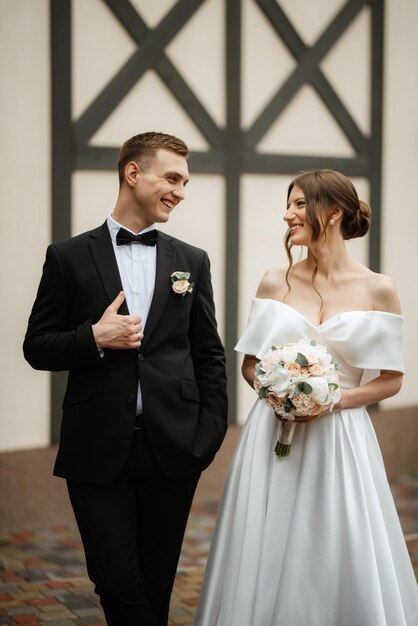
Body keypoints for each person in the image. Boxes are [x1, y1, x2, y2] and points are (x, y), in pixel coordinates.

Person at [195, 169, 418, 626]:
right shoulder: (274, 281)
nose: (287, 214)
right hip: (272, 432)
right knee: (265, 537)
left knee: (335, 538)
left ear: (333, 213)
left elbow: (391, 380)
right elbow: (250, 365)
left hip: (341, 436)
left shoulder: (379, 288)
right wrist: (280, 396)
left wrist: (329, 400)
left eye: (299, 205)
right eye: (289, 204)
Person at [23, 131, 228, 626]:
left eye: (185, 181)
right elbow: (37, 347)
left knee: (157, 584)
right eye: (172, 177)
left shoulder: (191, 260)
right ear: (133, 173)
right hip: (97, 447)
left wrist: (208, 433)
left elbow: (208, 354)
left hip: (174, 448)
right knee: (116, 581)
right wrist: (92, 338)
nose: (181, 190)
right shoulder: (68, 256)